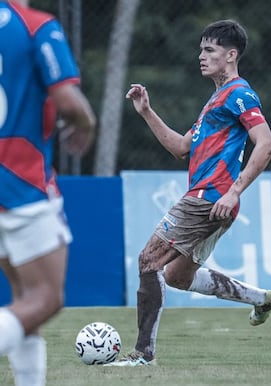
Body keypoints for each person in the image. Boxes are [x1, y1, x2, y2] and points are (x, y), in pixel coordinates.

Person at [113, 19, 271, 367]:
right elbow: (180, 148)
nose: (201, 56)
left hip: (210, 197)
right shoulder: (214, 102)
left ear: (231, 55)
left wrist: (233, 192)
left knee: (149, 260)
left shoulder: (239, 93)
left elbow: (266, 145)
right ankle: (260, 299)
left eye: (210, 50)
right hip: (212, 199)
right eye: (202, 49)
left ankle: (142, 356)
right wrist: (146, 111)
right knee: (176, 276)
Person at [0, 0, 96, 385]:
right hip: (20, 182)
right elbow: (69, 102)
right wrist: (86, 123)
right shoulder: (37, 26)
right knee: (46, 299)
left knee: (24, 300)